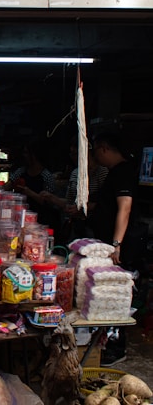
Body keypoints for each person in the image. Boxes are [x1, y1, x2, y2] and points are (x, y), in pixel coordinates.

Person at [90, 129, 147, 366]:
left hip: (123, 247)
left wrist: (116, 245)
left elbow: (125, 208)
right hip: (115, 244)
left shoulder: (123, 173)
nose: (95, 156)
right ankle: (108, 343)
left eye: (95, 151)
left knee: (119, 295)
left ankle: (116, 347)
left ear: (104, 148)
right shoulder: (116, 173)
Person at [41, 137, 108, 242]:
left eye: (75, 153)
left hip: (93, 227)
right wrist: (52, 198)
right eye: (71, 153)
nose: (73, 157)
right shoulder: (75, 173)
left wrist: (83, 208)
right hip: (76, 227)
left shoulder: (102, 172)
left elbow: (105, 203)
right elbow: (70, 201)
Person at [4, 138, 59, 230]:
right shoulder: (21, 172)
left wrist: (29, 192)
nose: (24, 155)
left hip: (40, 220)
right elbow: (8, 185)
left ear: (34, 155)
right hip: (20, 217)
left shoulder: (46, 176)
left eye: (26, 153)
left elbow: (49, 202)